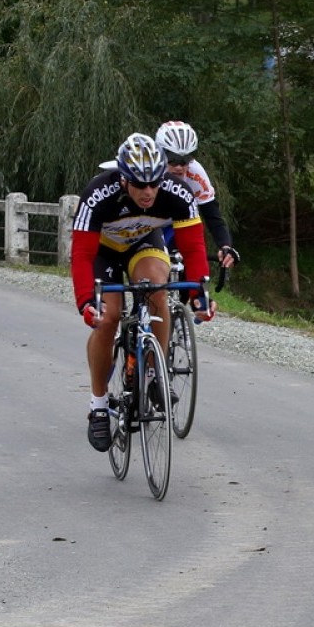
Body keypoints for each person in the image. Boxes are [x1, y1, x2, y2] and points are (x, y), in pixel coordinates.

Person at [71, 133, 216, 453]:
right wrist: (85, 301)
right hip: (103, 251)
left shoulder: (176, 191)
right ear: (123, 179)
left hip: (144, 244)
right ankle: (98, 405)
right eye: (140, 184)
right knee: (107, 318)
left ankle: (154, 374)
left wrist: (199, 297)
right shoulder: (98, 193)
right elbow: (81, 254)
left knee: (158, 291)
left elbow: (194, 249)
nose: (149, 191)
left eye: (154, 183)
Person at [154, 120, 239, 269]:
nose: (180, 167)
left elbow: (213, 216)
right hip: (146, 224)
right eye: (173, 160)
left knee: (185, 265)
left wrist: (225, 246)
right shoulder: (148, 169)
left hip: (174, 223)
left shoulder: (196, 173)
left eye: (185, 159)